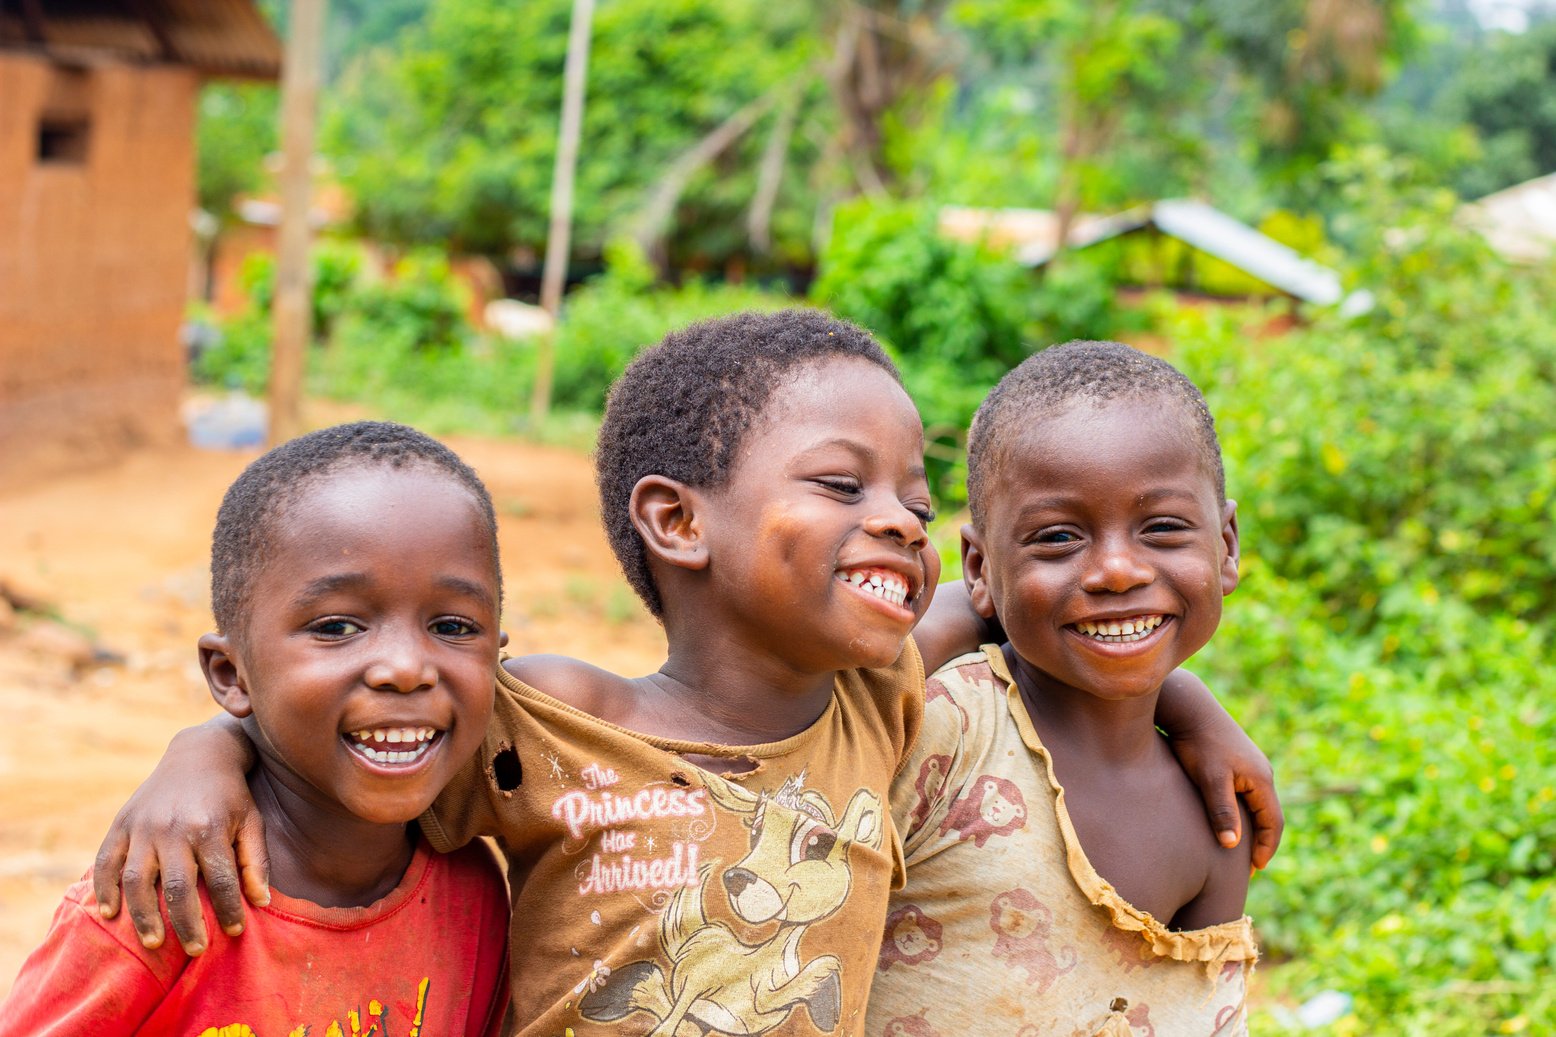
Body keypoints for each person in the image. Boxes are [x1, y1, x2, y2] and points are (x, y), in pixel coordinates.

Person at [85, 313, 1278, 1036]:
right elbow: (369, 718)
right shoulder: (553, 719)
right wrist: (207, 751)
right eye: (841, 486)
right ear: (676, 520)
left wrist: (1187, 698)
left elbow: (1033, 602)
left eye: (915, 500)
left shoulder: (874, 706)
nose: (902, 524)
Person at [0, 423, 512, 1036]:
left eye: (454, 627)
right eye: (337, 627)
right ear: (230, 673)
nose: (406, 668)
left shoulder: (473, 895)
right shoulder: (165, 897)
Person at [869, 341, 1259, 1036]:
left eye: (1162, 527)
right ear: (980, 566)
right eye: (1057, 537)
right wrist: (1187, 694)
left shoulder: (1216, 812)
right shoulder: (942, 730)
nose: (1116, 570)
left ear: (1226, 544)